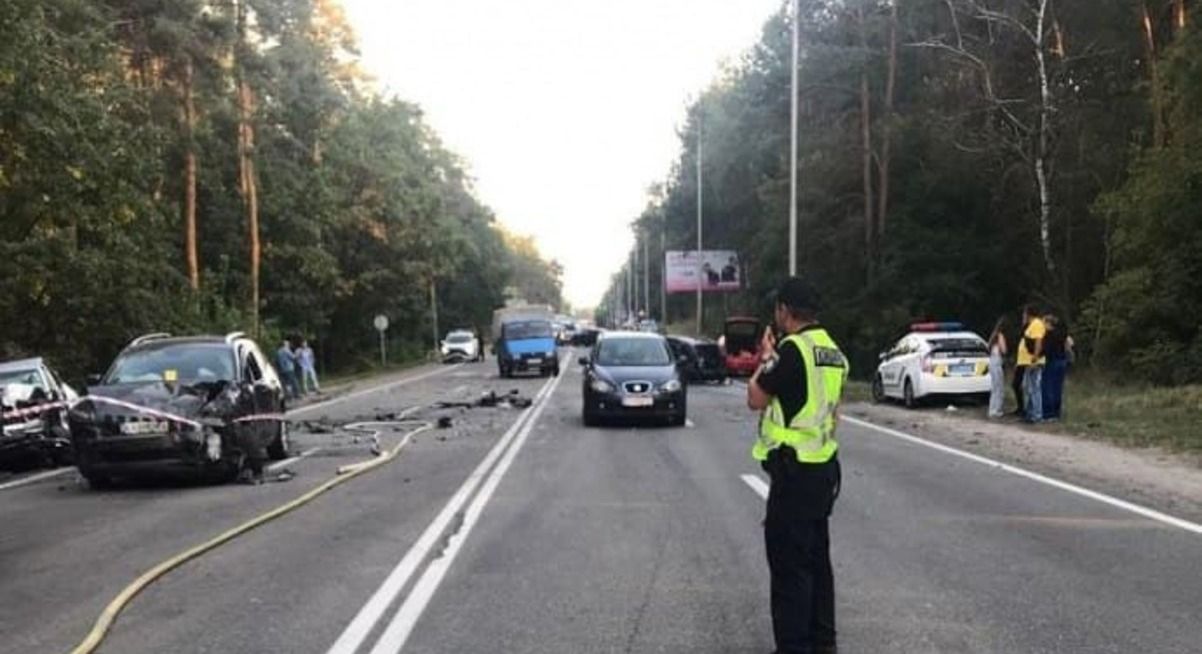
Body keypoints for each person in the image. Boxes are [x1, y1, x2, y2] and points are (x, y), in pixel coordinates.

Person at [746, 277, 847, 654]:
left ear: (785, 312)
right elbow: (837, 413)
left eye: (778, 309)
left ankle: (793, 647)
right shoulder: (833, 350)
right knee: (818, 562)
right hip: (823, 469)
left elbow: (756, 398)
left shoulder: (792, 351)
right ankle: (824, 643)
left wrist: (766, 358)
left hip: (794, 474)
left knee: (790, 569)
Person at [1016, 304, 1046, 423]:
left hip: (1033, 361)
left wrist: (1035, 357)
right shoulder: (1031, 325)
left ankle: (1037, 415)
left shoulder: (1037, 324)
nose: (1023, 315)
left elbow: (1038, 341)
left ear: (1028, 313)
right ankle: (1030, 413)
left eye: (1024, 313)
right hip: (1027, 361)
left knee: (1034, 388)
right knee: (1029, 387)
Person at [1041, 315, 1072, 421]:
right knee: (1058, 388)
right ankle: (1056, 413)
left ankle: (1048, 413)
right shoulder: (1062, 334)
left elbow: (1046, 350)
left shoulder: (1048, 335)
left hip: (1052, 361)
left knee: (1047, 387)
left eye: (1044, 323)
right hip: (1062, 361)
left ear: (1048, 324)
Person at [987, 317, 1009, 418]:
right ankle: (997, 410)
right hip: (997, 362)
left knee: (994, 386)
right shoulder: (1000, 336)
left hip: (992, 361)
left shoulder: (993, 336)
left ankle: (992, 409)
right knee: (999, 386)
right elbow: (1004, 350)